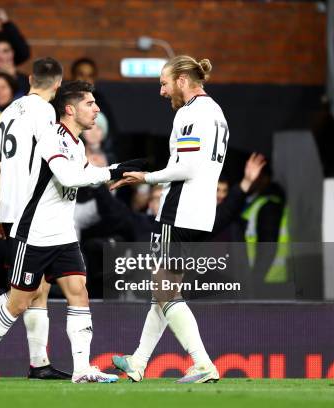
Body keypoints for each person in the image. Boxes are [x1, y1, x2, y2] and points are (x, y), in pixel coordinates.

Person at [0, 80, 133, 384]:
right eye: (90, 103)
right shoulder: (51, 139)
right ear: (70, 110)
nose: (97, 109)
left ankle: (82, 369)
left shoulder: (76, 142)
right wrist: (111, 171)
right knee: (18, 302)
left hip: (63, 235)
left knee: (78, 292)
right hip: (34, 233)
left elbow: (84, 172)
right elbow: (71, 177)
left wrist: (118, 169)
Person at [110, 55, 226, 383]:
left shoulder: (191, 113)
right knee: (163, 291)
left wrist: (145, 177)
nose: (162, 92)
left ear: (182, 81)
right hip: (201, 213)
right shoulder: (216, 112)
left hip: (180, 210)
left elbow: (186, 167)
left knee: (164, 292)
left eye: (164, 83)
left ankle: (202, 362)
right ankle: (138, 361)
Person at [0, 58, 71, 380]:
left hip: (11, 209)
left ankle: (39, 363)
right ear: (57, 85)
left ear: (29, 79)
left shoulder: (7, 111)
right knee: (23, 292)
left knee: (38, 287)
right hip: (31, 212)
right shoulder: (46, 113)